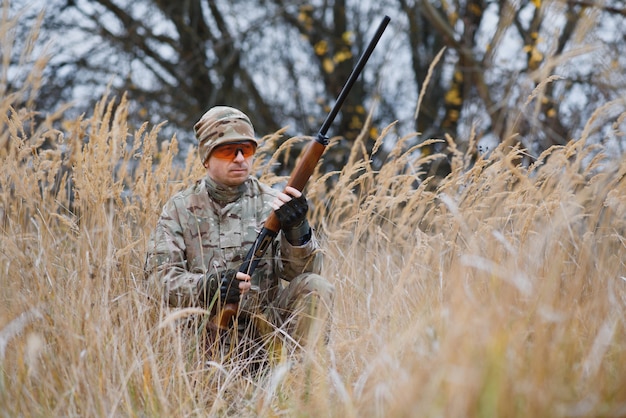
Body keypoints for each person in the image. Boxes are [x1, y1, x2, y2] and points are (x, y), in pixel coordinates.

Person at [145, 106, 334, 359]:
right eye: (227, 150)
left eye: (247, 149)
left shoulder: (273, 204)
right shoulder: (179, 209)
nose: (239, 158)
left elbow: (303, 272)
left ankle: (303, 385)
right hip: (204, 339)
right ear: (206, 157)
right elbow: (157, 282)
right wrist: (207, 287)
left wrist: (297, 231)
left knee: (316, 286)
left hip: (267, 334)